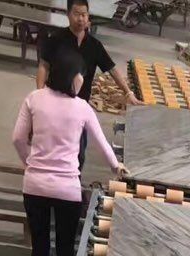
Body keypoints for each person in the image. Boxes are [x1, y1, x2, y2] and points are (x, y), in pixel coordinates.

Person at [13, 50, 126, 256]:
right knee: (65, 248)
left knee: (40, 246)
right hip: (67, 189)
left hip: (35, 186)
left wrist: (30, 163)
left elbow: (17, 138)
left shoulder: (34, 98)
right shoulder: (82, 108)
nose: (82, 81)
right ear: (73, 77)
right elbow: (101, 142)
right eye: (81, 76)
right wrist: (116, 166)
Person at [37, 0, 141, 169]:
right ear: (68, 15)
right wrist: (40, 94)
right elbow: (44, 66)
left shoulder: (94, 45)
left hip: (80, 106)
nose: (80, 19)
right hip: (55, 103)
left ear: (88, 17)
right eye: (76, 14)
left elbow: (112, 69)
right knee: (52, 146)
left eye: (84, 15)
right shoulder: (55, 39)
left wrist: (128, 92)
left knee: (78, 153)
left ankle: (74, 178)